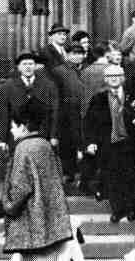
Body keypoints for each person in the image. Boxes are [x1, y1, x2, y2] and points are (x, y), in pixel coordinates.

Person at [3, 99, 84, 260]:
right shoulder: (45, 145)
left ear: (24, 126)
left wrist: (8, 205)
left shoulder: (23, 149)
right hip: (52, 222)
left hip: (32, 224)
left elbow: (20, 188)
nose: (11, 131)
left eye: (13, 126)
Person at [85, 65, 135, 223]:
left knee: (129, 176)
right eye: (110, 76)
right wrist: (90, 142)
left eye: (117, 75)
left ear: (123, 78)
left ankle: (131, 209)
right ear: (106, 80)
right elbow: (89, 122)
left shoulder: (132, 97)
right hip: (108, 144)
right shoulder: (98, 98)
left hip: (129, 143)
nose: (114, 78)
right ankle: (117, 210)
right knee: (112, 177)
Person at [51, 42, 86, 182]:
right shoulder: (59, 71)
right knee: (67, 142)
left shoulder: (85, 69)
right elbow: (55, 94)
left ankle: (83, 174)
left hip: (83, 110)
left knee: (82, 139)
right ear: (67, 54)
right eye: (74, 53)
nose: (77, 56)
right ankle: (68, 172)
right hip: (66, 111)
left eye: (80, 53)